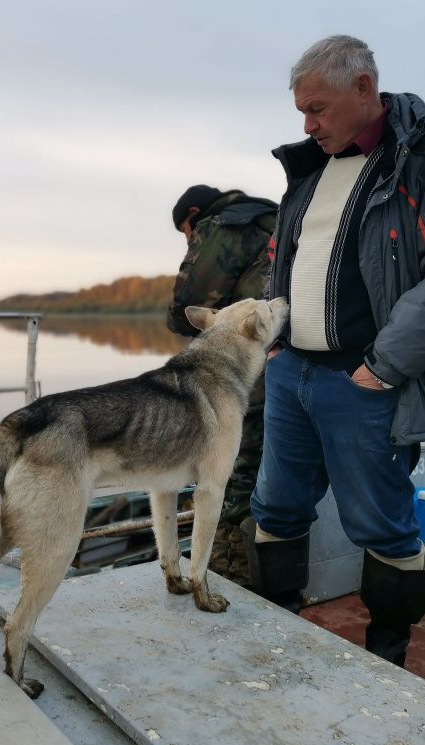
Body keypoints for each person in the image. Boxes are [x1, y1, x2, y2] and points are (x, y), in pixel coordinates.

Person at [245, 35, 425, 667]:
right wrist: (276, 348)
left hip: (364, 381)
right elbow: (284, 262)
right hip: (291, 373)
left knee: (383, 524)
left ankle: (386, 659)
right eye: (301, 113)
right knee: (275, 508)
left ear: (363, 88)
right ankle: (275, 638)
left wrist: (380, 368)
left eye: (317, 109)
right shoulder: (311, 169)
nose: (307, 127)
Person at [167, 184, 278, 586]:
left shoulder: (223, 226)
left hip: (246, 368)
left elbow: (186, 303)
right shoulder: (275, 218)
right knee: (275, 467)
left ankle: (230, 572)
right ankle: (270, 568)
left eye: (186, 232)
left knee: (231, 469)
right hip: (294, 359)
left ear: (194, 215)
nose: (189, 241)